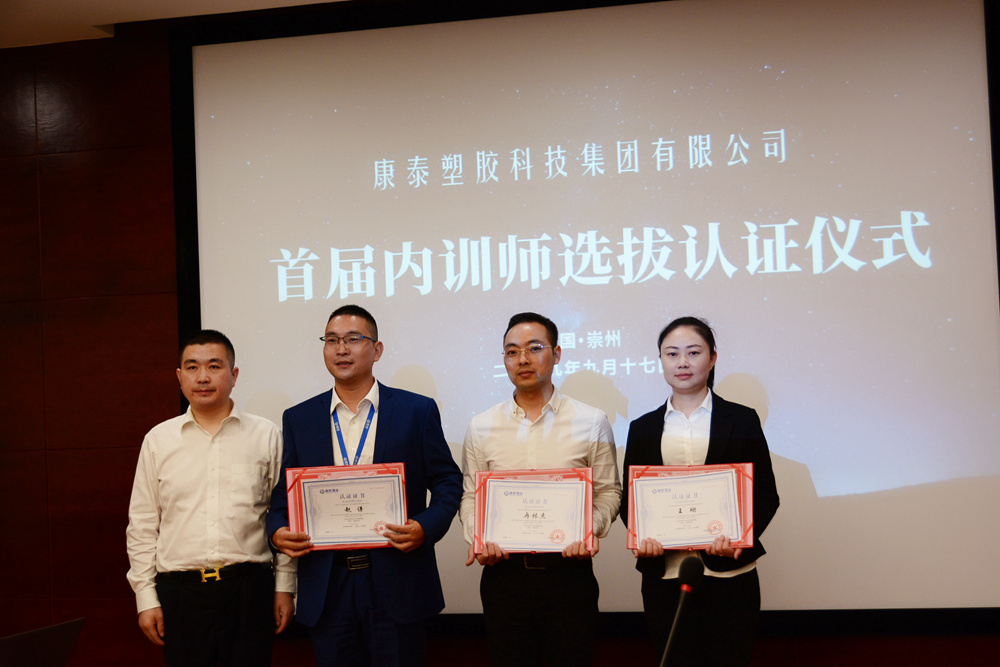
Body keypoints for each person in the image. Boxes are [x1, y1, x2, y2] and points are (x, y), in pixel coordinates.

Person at [267, 304, 462, 667]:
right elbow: (283, 494)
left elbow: (448, 481)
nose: (341, 349)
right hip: (328, 585)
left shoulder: (416, 411)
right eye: (332, 340)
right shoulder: (300, 418)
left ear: (377, 349)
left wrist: (425, 527)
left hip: (398, 581)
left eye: (353, 339)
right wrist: (277, 531)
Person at [461, 312, 622, 666]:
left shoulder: (591, 421)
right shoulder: (481, 426)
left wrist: (587, 530)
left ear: (556, 353)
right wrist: (478, 537)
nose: (522, 359)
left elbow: (609, 492)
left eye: (534, 348)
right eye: (512, 351)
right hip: (504, 577)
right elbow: (471, 496)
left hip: (568, 576)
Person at [126, 329, 295, 667]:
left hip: (249, 590)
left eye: (214, 366)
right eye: (192, 367)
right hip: (181, 594)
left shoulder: (266, 435)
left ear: (234, 375)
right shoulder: (158, 440)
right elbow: (142, 525)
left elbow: (284, 516)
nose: (202, 377)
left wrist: (285, 585)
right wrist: (145, 596)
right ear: (179, 376)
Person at [621, 317, 779, 666]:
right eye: (671, 354)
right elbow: (631, 501)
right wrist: (641, 536)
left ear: (712, 358)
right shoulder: (643, 428)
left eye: (693, 352)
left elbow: (767, 494)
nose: (682, 362)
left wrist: (740, 538)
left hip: (730, 576)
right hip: (665, 576)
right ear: (660, 360)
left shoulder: (742, 419)